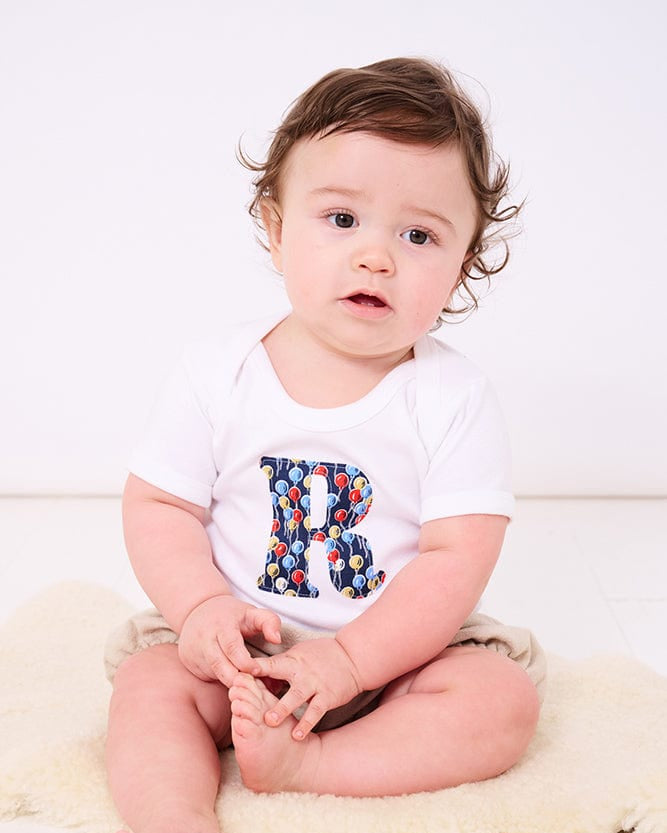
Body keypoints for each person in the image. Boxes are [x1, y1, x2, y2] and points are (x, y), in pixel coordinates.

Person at [104, 56, 546, 833]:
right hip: (240, 646)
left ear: (462, 266)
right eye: (342, 220)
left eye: (418, 234)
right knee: (150, 688)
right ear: (277, 230)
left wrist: (350, 661)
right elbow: (160, 505)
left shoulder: (452, 396)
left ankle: (317, 764)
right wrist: (202, 607)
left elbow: (455, 558)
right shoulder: (220, 371)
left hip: (395, 657)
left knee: (500, 702)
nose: (375, 256)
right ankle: (175, 817)